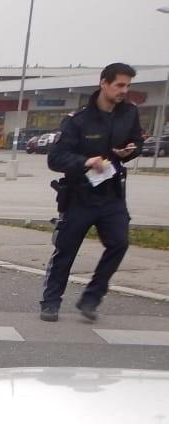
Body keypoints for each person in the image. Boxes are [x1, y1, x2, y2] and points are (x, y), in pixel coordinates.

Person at [39, 63, 146, 323]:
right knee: (65, 250)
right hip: (80, 194)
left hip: (112, 194)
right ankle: (51, 302)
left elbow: (137, 143)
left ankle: (92, 297)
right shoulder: (78, 120)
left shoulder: (129, 114)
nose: (124, 90)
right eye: (119, 85)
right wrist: (86, 162)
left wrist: (129, 151)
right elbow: (56, 159)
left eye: (127, 86)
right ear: (103, 83)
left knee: (119, 244)